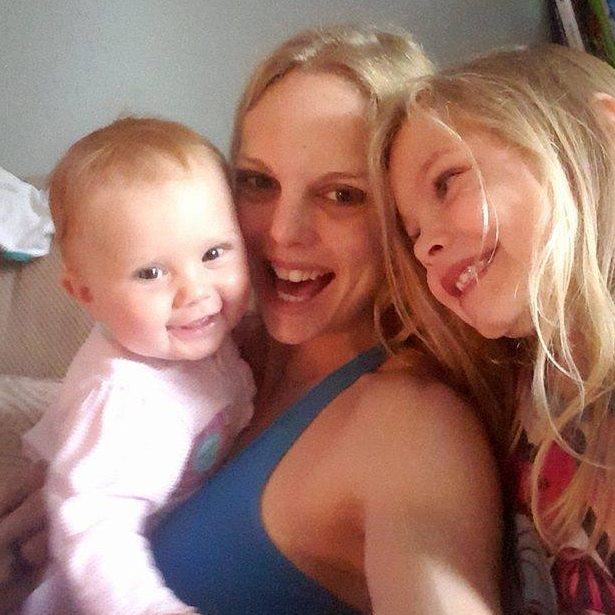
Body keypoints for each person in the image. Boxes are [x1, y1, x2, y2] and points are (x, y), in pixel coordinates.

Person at [1, 26, 506, 614]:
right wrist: (56, 490)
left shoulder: (412, 427)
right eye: (258, 182)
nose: (283, 232)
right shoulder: (219, 343)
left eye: (342, 195)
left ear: (401, 209)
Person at [375, 44, 615, 613]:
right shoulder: (520, 399)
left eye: (447, 182)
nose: (425, 248)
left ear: (602, 134)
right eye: (413, 234)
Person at [21, 117, 256, 614]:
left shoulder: (201, 338)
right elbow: (94, 529)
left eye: (213, 253)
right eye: (151, 272)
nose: (195, 291)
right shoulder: (124, 402)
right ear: (85, 294)